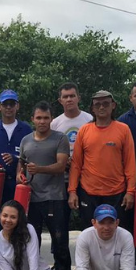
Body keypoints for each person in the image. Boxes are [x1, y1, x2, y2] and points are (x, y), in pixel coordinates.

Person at [18, 101, 72, 270]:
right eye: (38, 118)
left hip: (54, 197)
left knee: (59, 238)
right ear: (32, 119)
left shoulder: (60, 138)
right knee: (32, 239)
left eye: (46, 118)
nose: (42, 121)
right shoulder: (26, 140)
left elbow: (61, 166)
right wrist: (20, 174)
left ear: (51, 119)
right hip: (31, 198)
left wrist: (38, 169)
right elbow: (22, 164)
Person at [68, 90, 136, 230]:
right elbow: (76, 164)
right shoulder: (84, 130)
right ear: (92, 108)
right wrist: (72, 191)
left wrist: (130, 192)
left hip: (116, 193)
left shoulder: (123, 129)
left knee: (115, 234)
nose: (101, 107)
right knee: (89, 233)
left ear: (113, 106)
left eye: (106, 104)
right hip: (88, 193)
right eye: (97, 104)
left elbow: (130, 163)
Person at [0, 90, 33, 231]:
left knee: (21, 219)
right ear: (0, 107)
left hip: (19, 183)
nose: (9, 107)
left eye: (12, 104)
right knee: (1, 220)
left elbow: (32, 154)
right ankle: (1, 252)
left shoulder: (26, 129)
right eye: (5, 104)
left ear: (17, 106)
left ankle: (20, 251)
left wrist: (16, 158)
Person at [51, 82, 94, 246]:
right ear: (60, 100)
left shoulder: (89, 120)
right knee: (59, 224)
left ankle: (90, 262)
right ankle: (61, 266)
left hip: (86, 179)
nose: (69, 99)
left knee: (88, 222)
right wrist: (61, 161)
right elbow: (49, 149)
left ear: (78, 98)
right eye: (65, 97)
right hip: (61, 179)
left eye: (72, 96)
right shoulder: (55, 123)